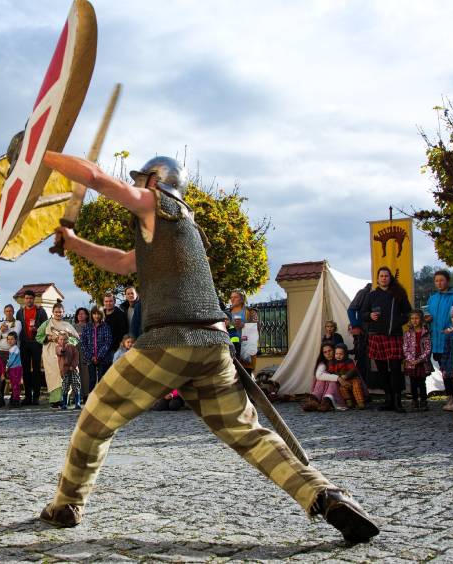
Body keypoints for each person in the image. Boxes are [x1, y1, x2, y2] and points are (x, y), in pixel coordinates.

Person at [38, 153, 377, 542]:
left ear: (154, 182)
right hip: (212, 349)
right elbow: (121, 262)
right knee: (248, 433)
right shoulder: (180, 229)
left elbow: (97, 177)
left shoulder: (160, 205)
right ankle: (322, 493)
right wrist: (75, 243)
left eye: (143, 181)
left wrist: (43, 155)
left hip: (170, 342)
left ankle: (66, 504)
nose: (139, 187)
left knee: (96, 417)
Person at [360, 266, 412, 413]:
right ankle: (388, 400)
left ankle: (397, 402)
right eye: (381, 276)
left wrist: (397, 321)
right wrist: (369, 316)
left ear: (390, 278)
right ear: (377, 279)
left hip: (393, 335)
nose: (384, 278)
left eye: (386, 276)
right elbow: (363, 313)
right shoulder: (371, 296)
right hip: (377, 335)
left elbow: (407, 312)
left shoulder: (398, 293)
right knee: (382, 370)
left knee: (396, 369)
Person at [425, 270, 453, 412]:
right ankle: (450, 397)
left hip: (451, 338)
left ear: (448, 281)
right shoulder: (432, 298)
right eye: (436, 281)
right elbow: (427, 314)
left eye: (442, 280)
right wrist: (427, 319)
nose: (439, 283)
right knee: (444, 371)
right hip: (437, 340)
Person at [36, 302, 80, 408]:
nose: (58, 314)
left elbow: (76, 339)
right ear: (53, 312)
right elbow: (38, 337)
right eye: (56, 312)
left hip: (65, 354)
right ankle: (54, 400)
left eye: (60, 312)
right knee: (53, 375)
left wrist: (66, 341)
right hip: (50, 353)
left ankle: (65, 400)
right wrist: (49, 338)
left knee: (64, 375)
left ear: (63, 312)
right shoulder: (46, 324)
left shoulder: (67, 325)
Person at [18, 290, 48, 406]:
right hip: (24, 343)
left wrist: (37, 329)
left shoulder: (41, 311)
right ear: (24, 299)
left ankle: (36, 397)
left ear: (34, 299)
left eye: (30, 298)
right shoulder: (20, 312)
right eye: (26, 298)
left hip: (36, 343)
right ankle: (27, 397)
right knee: (25, 370)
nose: (28, 300)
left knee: (36, 370)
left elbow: (46, 325)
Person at [402, 310, 432, 411]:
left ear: (421, 319)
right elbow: (405, 348)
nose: (414, 321)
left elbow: (428, 349)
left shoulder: (426, 333)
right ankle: (414, 400)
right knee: (413, 382)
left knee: (422, 382)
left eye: (417, 318)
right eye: (412, 318)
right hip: (411, 362)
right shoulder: (407, 333)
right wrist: (410, 359)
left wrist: (419, 360)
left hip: (422, 362)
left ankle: (424, 400)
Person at [303, 342, 346, 412]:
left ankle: (327, 401)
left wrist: (338, 378)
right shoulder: (323, 363)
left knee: (332, 380)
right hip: (325, 388)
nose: (328, 354)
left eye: (330, 351)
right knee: (322, 377)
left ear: (334, 350)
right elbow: (319, 375)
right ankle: (314, 400)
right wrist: (337, 378)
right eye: (325, 352)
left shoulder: (341, 360)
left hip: (339, 388)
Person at [79, 306, 112, 392]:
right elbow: (83, 343)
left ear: (102, 315)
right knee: (92, 379)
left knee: (102, 379)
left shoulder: (106, 326)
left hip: (103, 358)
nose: (96, 316)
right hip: (90, 359)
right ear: (91, 315)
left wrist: (98, 356)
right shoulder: (87, 327)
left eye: (98, 314)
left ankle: (101, 400)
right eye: (94, 313)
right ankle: (91, 400)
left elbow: (107, 342)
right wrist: (91, 356)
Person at [0, 304, 22, 401]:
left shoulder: (17, 322)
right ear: (4, 312)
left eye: (10, 311)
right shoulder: (1, 323)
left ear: (13, 312)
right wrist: (1, 330)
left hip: (12, 353)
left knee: (13, 375)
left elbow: (16, 334)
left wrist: (7, 331)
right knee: (0, 374)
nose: (9, 313)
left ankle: (14, 398)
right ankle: (0, 398)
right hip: (1, 352)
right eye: (7, 311)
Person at [330, 344, 365, 410]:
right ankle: (348, 401)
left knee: (356, 385)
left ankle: (360, 402)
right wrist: (338, 377)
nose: (338, 356)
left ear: (345, 354)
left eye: (341, 354)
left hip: (352, 379)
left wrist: (346, 375)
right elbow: (331, 372)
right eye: (336, 354)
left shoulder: (348, 361)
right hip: (342, 380)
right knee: (342, 388)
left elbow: (353, 370)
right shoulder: (333, 362)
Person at [56, 331, 82, 410]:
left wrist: (73, 366)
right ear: (58, 340)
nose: (63, 341)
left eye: (64, 339)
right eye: (61, 339)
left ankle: (77, 402)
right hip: (64, 370)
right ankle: (64, 403)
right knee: (65, 386)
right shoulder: (58, 347)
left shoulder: (72, 347)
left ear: (68, 339)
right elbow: (60, 352)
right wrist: (63, 347)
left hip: (73, 370)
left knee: (76, 385)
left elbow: (76, 356)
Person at [226, 290, 248, 361]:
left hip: (246, 348)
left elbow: (258, 327)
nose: (232, 299)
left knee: (244, 370)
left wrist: (244, 325)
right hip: (229, 347)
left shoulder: (250, 312)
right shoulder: (226, 313)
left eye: (236, 297)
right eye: (231, 297)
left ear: (242, 299)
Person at [4, 332, 23, 407]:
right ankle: (14, 399)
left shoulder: (14, 348)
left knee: (15, 385)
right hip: (13, 369)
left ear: (16, 340)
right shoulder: (12, 348)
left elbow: (11, 360)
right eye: (8, 339)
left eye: (12, 339)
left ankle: (16, 401)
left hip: (16, 369)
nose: (10, 341)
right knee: (14, 384)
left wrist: (7, 367)